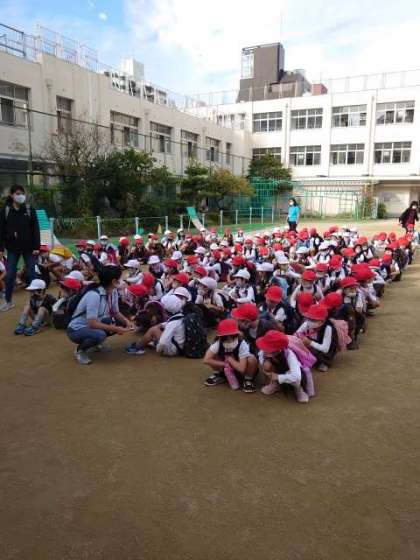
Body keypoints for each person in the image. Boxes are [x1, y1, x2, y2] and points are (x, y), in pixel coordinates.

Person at [67, 265, 134, 365]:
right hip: (76, 329)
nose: (122, 280)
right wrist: (117, 329)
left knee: (116, 322)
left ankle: (96, 342)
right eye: (120, 278)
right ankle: (80, 351)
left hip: (91, 325)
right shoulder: (94, 295)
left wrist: (127, 322)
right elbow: (92, 323)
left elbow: (116, 312)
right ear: (114, 281)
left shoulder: (113, 292)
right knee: (100, 334)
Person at [0, 185, 40, 311]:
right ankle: (8, 301)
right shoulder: (6, 210)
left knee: (32, 273)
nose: (21, 196)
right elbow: (1, 231)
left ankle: (35, 300)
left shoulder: (29, 209)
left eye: (22, 193)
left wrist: (36, 247)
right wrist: (1, 248)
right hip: (12, 248)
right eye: (17, 193)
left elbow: (35, 229)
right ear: (12, 195)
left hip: (29, 248)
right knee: (10, 274)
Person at [203, 318, 258, 393]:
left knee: (252, 359)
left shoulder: (242, 344)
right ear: (221, 337)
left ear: (236, 336)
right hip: (227, 367)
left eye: (232, 338)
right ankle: (219, 374)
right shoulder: (218, 343)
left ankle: (248, 379)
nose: (229, 341)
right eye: (226, 339)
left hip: (242, 369)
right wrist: (224, 364)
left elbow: (241, 369)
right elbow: (206, 360)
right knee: (213, 355)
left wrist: (230, 359)